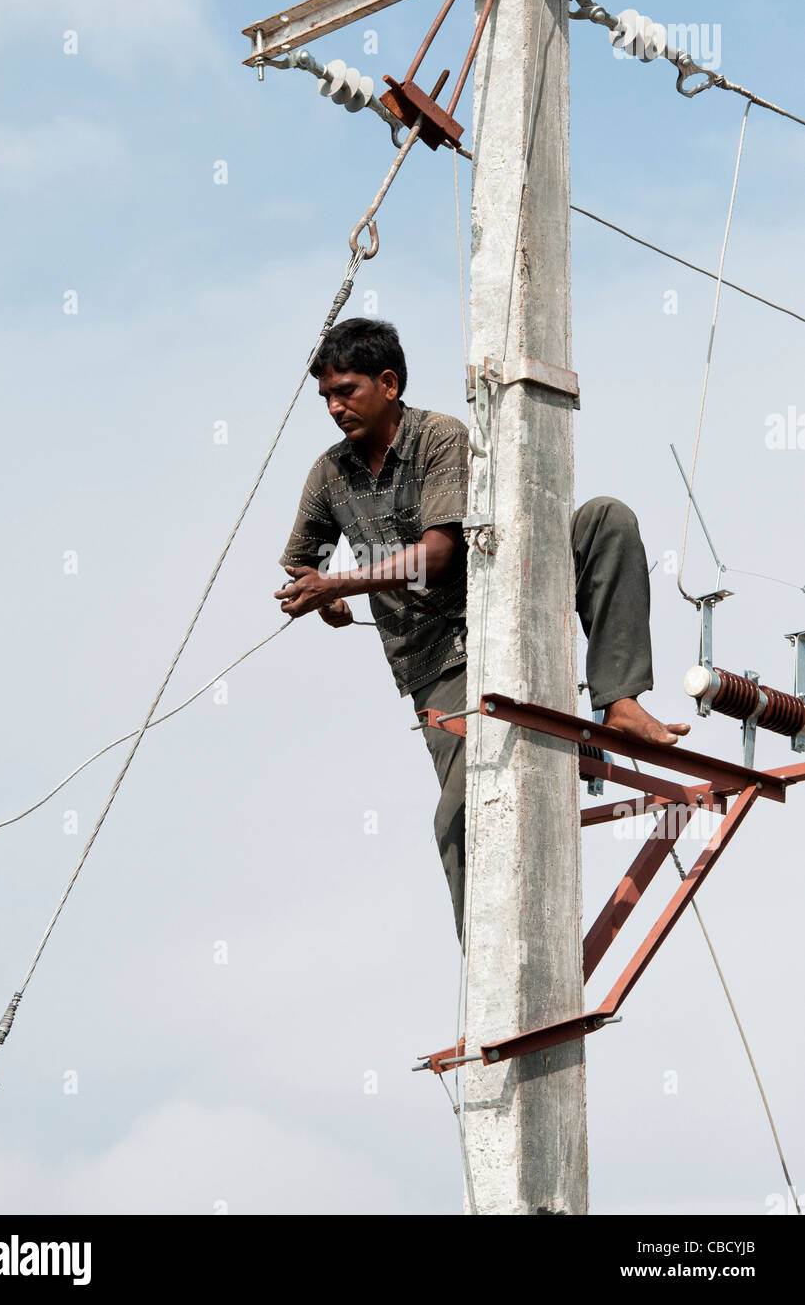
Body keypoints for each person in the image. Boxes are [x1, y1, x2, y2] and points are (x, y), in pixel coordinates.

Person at [275, 318, 689, 939]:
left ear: (388, 384)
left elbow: (439, 555)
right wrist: (318, 593)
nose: (335, 408)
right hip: (435, 660)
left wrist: (339, 586)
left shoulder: (441, 438)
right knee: (463, 813)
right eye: (327, 398)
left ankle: (620, 702)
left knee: (605, 520)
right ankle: (489, 976)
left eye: (347, 391)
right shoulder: (329, 474)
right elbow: (299, 557)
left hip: (506, 604)